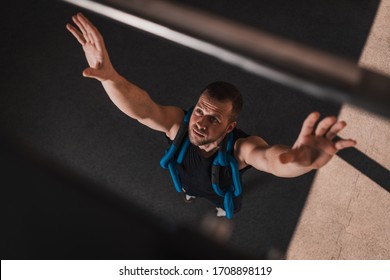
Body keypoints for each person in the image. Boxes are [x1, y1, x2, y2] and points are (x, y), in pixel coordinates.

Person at [66, 13, 357, 218]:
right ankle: (192, 193)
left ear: (231, 126)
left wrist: (300, 161)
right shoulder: (178, 124)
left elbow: (272, 159)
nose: (200, 122)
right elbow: (142, 108)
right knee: (190, 189)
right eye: (201, 111)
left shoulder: (241, 148)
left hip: (221, 189)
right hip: (186, 178)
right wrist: (110, 78)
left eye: (214, 119)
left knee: (221, 202)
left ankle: (217, 205)